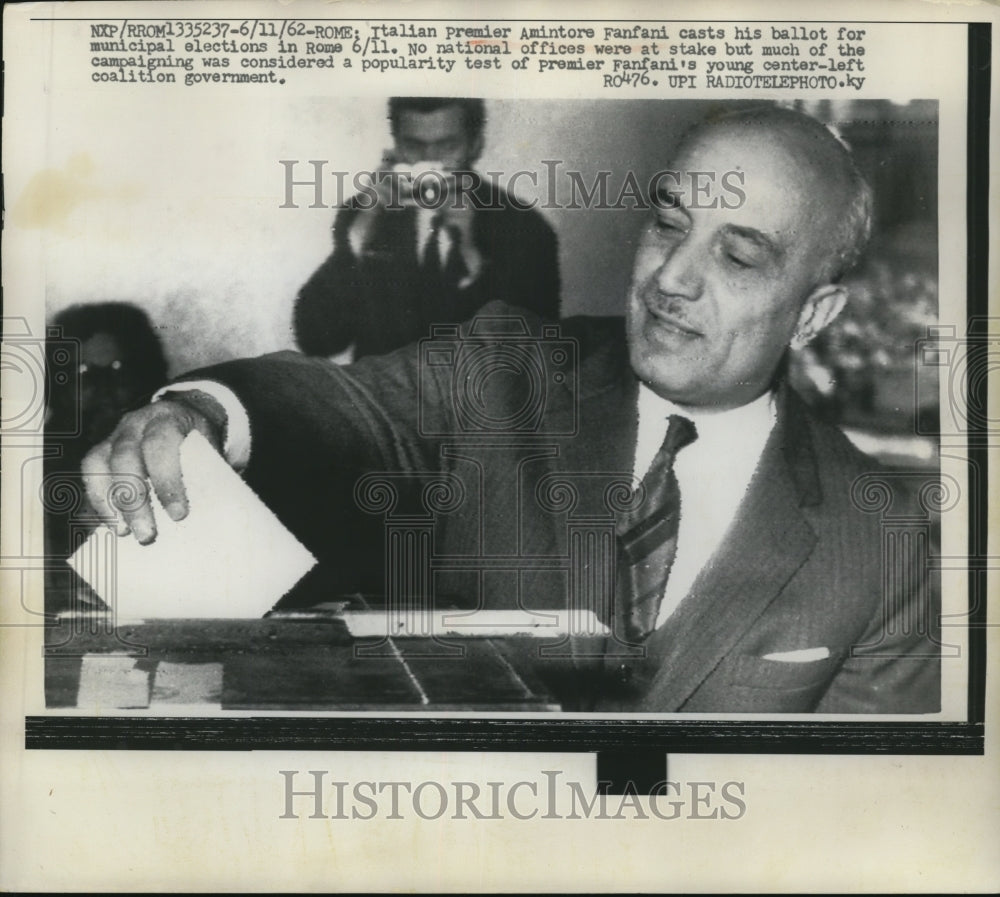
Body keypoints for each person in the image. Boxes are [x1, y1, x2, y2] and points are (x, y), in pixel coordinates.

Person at [81, 106, 940, 713]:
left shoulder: (885, 546)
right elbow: (344, 398)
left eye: (739, 257)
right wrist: (204, 410)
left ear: (817, 312)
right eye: (667, 224)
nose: (673, 278)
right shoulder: (505, 370)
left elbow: (853, 818)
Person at [292, 97, 561, 360]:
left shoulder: (521, 225)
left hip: (470, 398)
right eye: (414, 146)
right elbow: (316, 341)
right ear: (396, 146)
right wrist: (354, 244)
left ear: (474, 145)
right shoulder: (364, 214)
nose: (429, 160)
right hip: (383, 399)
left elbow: (532, 355)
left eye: (447, 145)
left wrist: (471, 258)